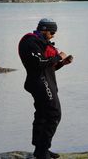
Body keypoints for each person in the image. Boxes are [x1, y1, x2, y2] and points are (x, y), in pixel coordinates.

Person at [18, 18, 73, 159]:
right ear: (44, 29)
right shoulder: (30, 42)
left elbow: (48, 67)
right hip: (39, 82)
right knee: (53, 114)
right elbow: (39, 64)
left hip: (44, 81)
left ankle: (40, 149)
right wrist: (58, 57)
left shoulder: (40, 42)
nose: (53, 35)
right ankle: (42, 151)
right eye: (52, 32)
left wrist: (62, 63)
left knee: (43, 114)